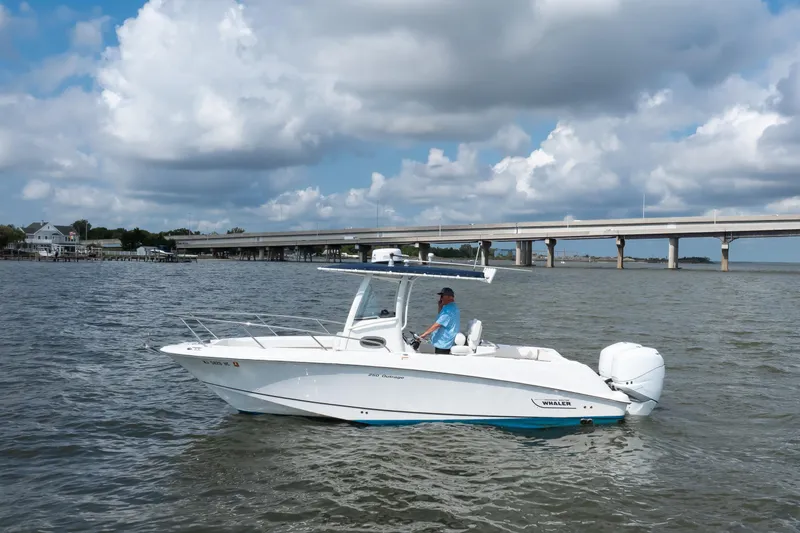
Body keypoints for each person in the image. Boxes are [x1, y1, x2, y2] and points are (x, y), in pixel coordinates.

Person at [419, 287, 460, 354]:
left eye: (442, 296)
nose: (441, 298)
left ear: (450, 297)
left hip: (444, 343)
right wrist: (440, 307)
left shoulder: (448, 310)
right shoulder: (452, 307)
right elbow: (441, 318)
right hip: (445, 340)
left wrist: (424, 335)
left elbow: (438, 324)